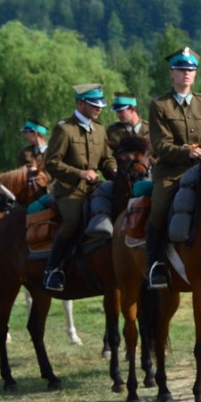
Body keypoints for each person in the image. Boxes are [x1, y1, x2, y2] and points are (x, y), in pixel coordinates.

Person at [146, 46, 201, 289]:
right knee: (158, 210)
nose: (186, 73)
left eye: (191, 69)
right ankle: (154, 264)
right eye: (181, 69)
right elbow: (159, 145)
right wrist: (186, 152)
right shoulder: (160, 105)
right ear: (172, 73)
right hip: (171, 171)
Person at [43, 84, 117, 292]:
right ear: (80, 103)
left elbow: (106, 160)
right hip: (69, 191)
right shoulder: (64, 129)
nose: (99, 108)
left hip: (95, 188)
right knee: (73, 221)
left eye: (100, 105)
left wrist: (114, 171)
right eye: (94, 104)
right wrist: (80, 174)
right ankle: (53, 269)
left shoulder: (100, 129)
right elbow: (51, 162)